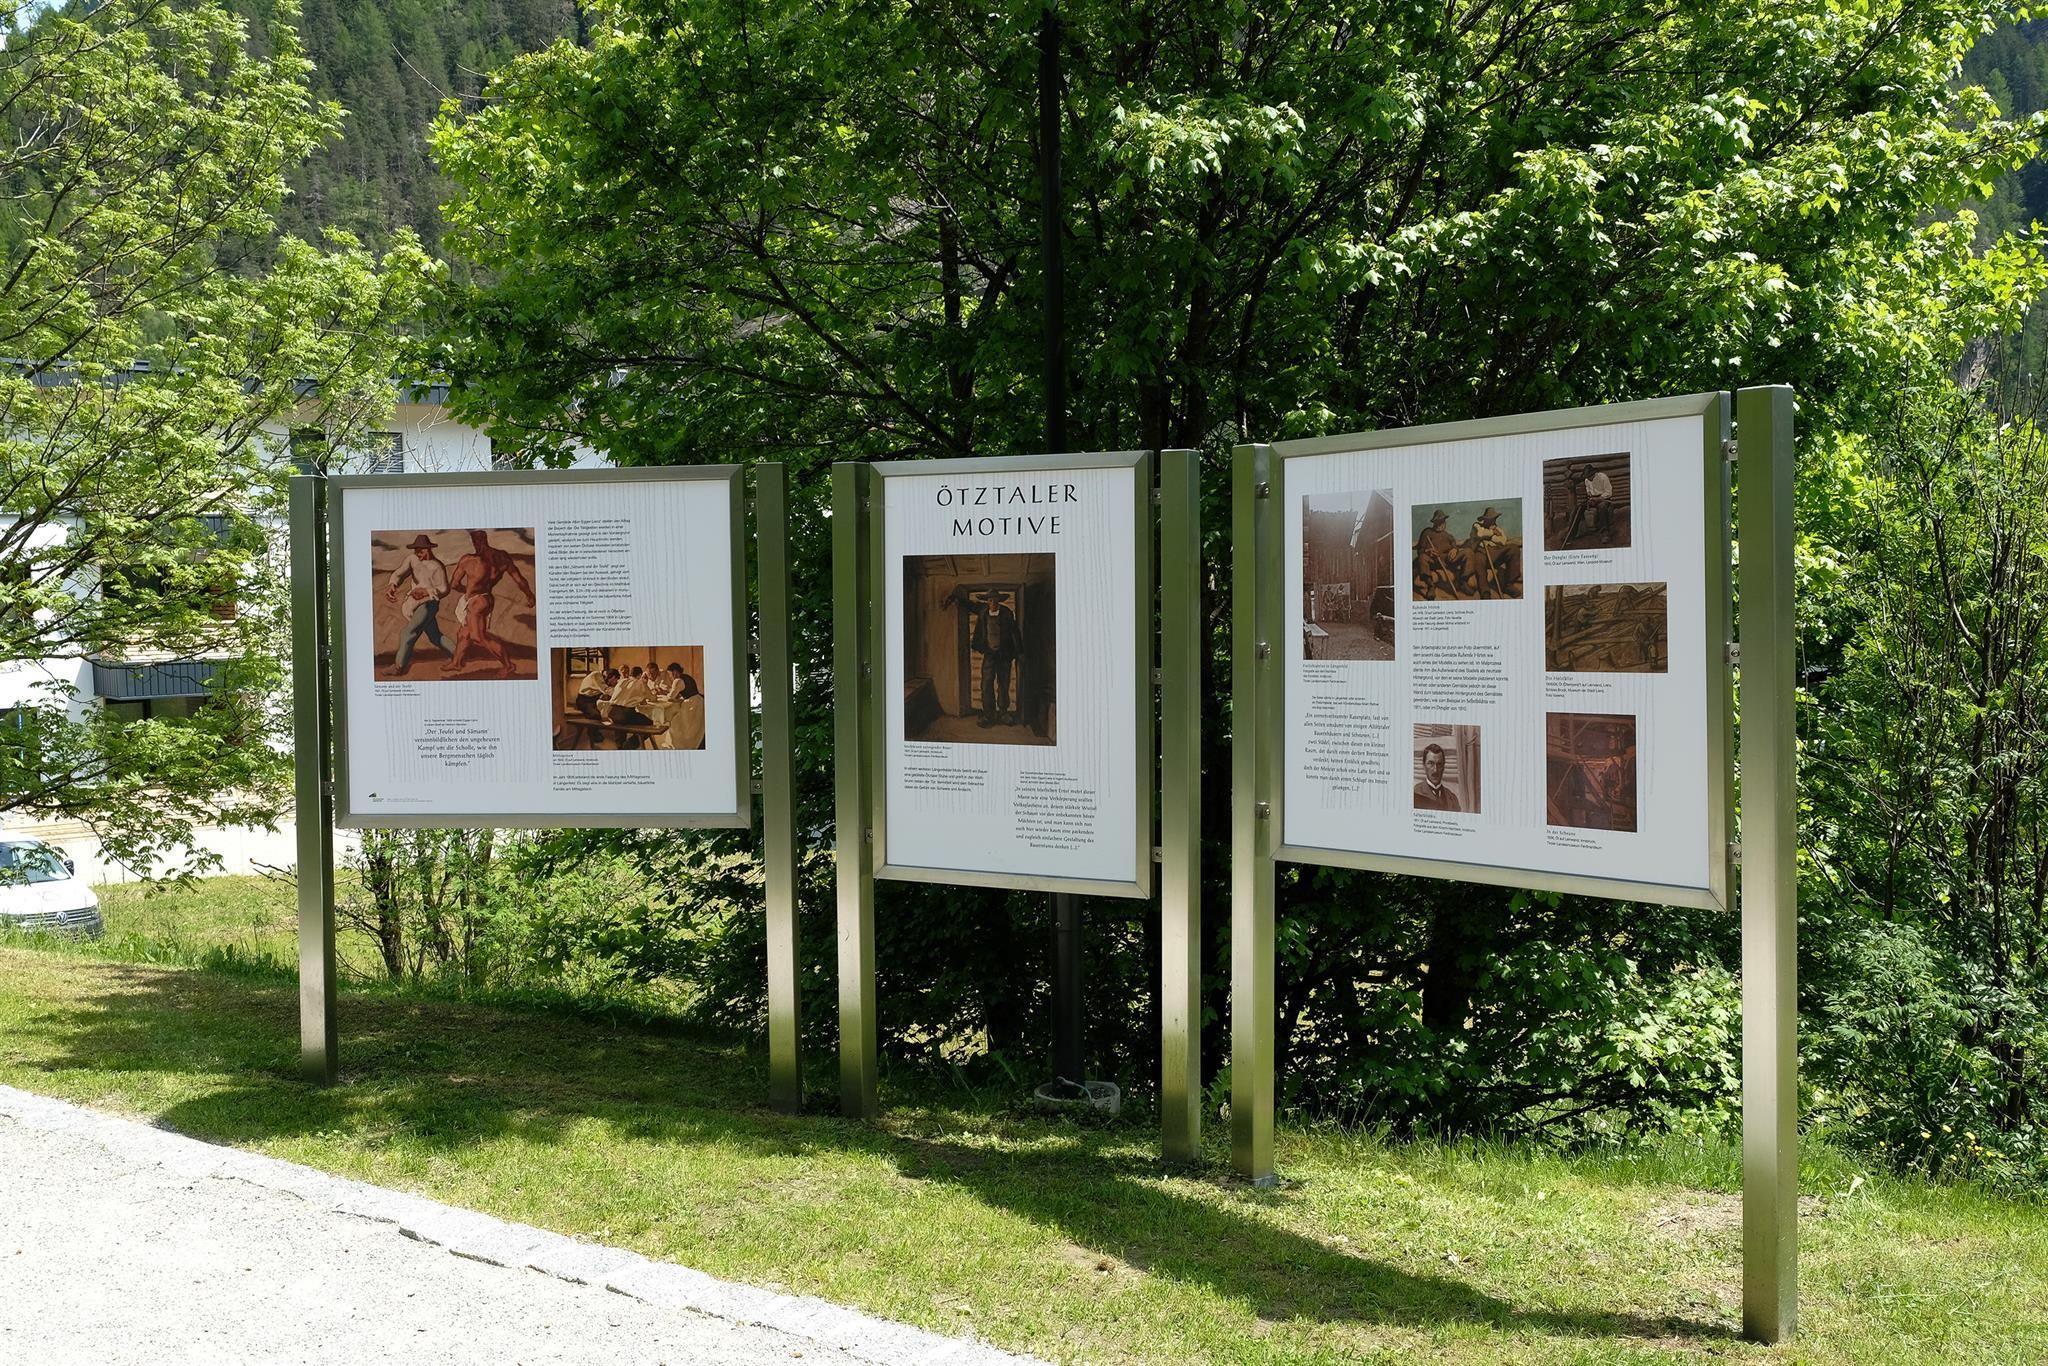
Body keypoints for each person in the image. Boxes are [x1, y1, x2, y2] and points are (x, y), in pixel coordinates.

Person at [447, 529, 537, 675]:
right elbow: (519, 579)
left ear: (475, 541)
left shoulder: (468, 560)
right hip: (486, 598)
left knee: (478, 637)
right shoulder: (501, 557)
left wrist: (468, 591)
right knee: (464, 633)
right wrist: (529, 595)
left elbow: (454, 584)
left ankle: (508, 665)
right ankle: (457, 663)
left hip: (476, 602)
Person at [384, 534, 449, 675]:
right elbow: (399, 573)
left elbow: (444, 588)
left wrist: (426, 592)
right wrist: (392, 585)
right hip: (413, 604)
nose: (418, 553)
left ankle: (399, 667)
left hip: (428, 604)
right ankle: (460, 654)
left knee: (407, 633)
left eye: (421, 550)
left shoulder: (436, 566)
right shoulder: (412, 559)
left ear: (428, 549)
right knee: (435, 637)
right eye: (416, 550)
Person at [969, 589, 1024, 727]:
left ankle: (1003, 712)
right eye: (990, 600)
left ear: (999, 600)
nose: (993, 602)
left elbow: (1014, 632)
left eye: (995, 599)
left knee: (1003, 684)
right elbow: (972, 608)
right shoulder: (983, 614)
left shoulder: (1006, 613)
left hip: (1004, 655)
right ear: (987, 602)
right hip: (989, 655)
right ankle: (989, 715)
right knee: (986, 684)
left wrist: (1018, 651)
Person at [608, 665, 655, 748]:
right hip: (625, 714)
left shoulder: (622, 681)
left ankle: (620, 746)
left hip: (612, 712)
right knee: (649, 723)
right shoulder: (640, 683)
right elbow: (652, 698)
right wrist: (645, 684)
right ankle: (630, 745)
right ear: (640, 675)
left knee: (620, 724)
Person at [1413, 510, 1457, 598]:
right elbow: (1420, 550)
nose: (1439, 525)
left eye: (1441, 522)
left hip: (1444, 562)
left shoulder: (1448, 536)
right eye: (1437, 522)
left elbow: (1455, 546)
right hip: (1431, 561)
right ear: (1434, 523)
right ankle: (1431, 586)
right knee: (1422, 558)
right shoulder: (1427, 532)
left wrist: (1455, 549)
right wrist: (1428, 551)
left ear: (1445, 523)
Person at [1413, 742, 1462, 812]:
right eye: (1430, 763)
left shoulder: (1452, 798)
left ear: (1444, 767)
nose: (1435, 770)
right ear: (1424, 766)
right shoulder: (1415, 794)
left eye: (1439, 764)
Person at [668, 667, 705, 750]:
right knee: (696, 728)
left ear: (674, 672)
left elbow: (670, 697)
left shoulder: (677, 680)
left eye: (670, 674)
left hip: (691, 704)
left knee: (677, 723)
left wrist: (664, 693)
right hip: (698, 700)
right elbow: (684, 691)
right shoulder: (686, 677)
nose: (670, 677)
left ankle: (682, 746)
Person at [1581, 464, 1615, 541]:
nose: (1588, 478)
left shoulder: (1602, 477)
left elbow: (1609, 492)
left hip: (1604, 498)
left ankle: (1604, 533)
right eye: (1587, 477)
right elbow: (1588, 490)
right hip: (1593, 498)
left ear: (1593, 473)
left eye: (1589, 476)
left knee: (1602, 507)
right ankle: (1574, 531)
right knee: (1579, 508)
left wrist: (1599, 499)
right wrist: (1590, 496)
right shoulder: (1587, 480)